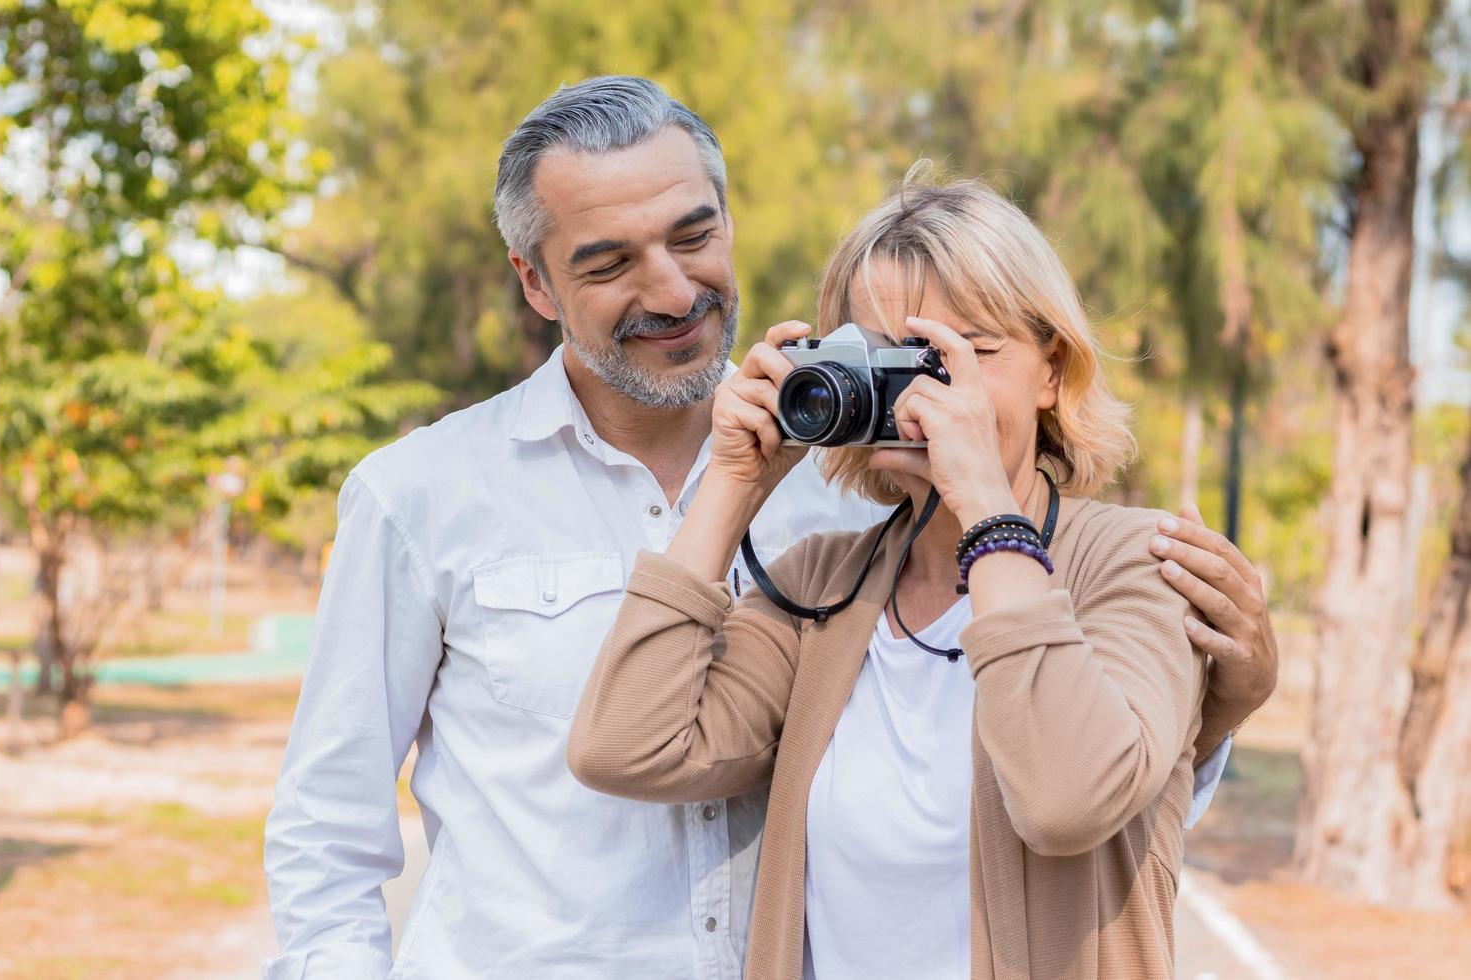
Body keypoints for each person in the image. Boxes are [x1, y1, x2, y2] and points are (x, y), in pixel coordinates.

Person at [264, 77, 1276, 979]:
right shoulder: (429, 493)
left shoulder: (877, 504)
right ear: (536, 281)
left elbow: (1089, 802)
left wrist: (1210, 703)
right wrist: (731, 489)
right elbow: (341, 826)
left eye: (692, 236)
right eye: (610, 260)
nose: (668, 288)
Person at [569, 170, 1236, 979]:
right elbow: (626, 749)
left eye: (965, 353)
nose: (921, 388)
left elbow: (1068, 802)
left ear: (1052, 369)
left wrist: (990, 508)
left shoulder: (1137, 563)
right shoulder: (822, 584)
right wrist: (730, 487)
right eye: (885, 355)